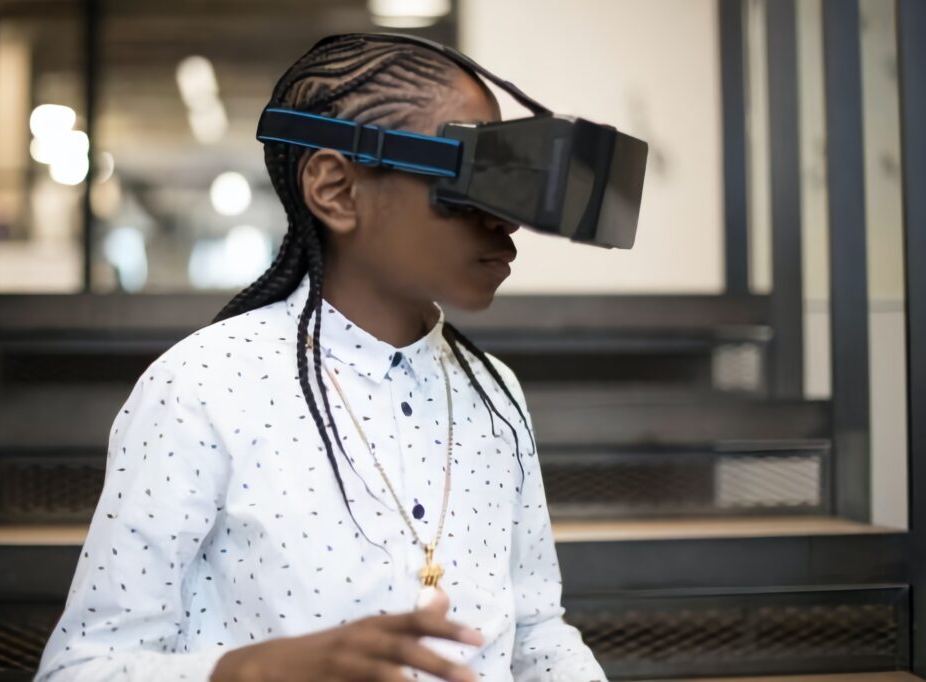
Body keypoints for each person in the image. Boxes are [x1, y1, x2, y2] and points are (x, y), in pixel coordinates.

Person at [35, 33, 607, 682]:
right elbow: (79, 668)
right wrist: (252, 671)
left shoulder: (495, 395)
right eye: (469, 175)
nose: (504, 220)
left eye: (508, 181)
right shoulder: (201, 390)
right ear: (336, 189)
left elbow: (537, 635)